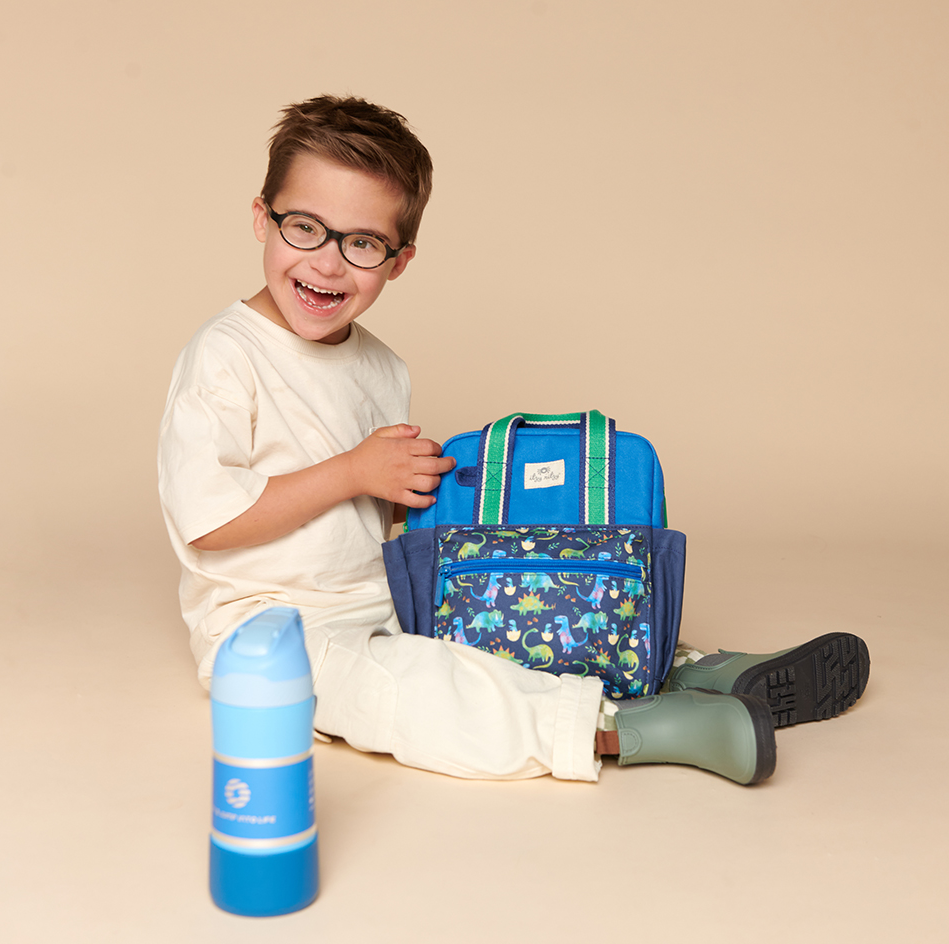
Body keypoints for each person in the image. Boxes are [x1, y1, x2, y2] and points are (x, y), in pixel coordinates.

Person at [157, 95, 868, 787]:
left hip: (381, 598)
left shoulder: (380, 365)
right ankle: (636, 728)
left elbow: (367, 512)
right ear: (262, 218)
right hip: (267, 631)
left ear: (399, 260)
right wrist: (354, 472)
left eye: (364, 242)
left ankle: (686, 664)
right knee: (408, 693)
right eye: (304, 227)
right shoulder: (223, 357)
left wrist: (420, 503)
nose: (328, 262)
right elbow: (209, 519)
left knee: (510, 612)